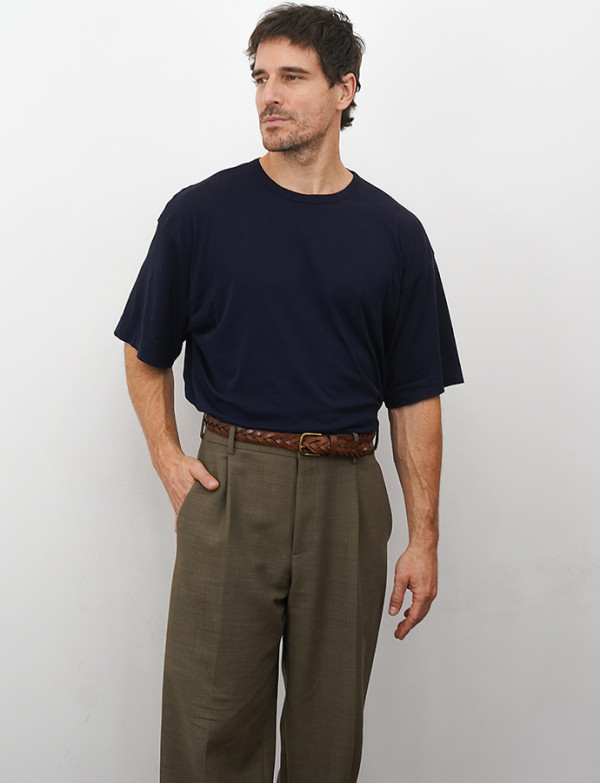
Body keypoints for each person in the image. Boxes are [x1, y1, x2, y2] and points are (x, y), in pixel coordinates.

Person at [115, 4, 463, 781]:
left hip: (349, 493)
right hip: (232, 484)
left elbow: (415, 398)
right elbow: (144, 351)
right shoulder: (201, 215)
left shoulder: (395, 234)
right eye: (260, 77)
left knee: (327, 736)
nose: (269, 95)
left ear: (344, 89)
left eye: (292, 77)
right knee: (210, 730)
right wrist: (169, 457)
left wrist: (424, 537)